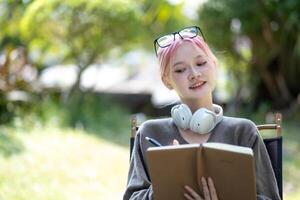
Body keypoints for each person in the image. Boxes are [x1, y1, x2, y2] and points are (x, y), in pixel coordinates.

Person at [123, 26, 281, 200]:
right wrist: (167, 183)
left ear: (214, 64)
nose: (194, 74)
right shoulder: (149, 134)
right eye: (180, 70)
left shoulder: (243, 132)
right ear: (166, 80)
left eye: (200, 63)